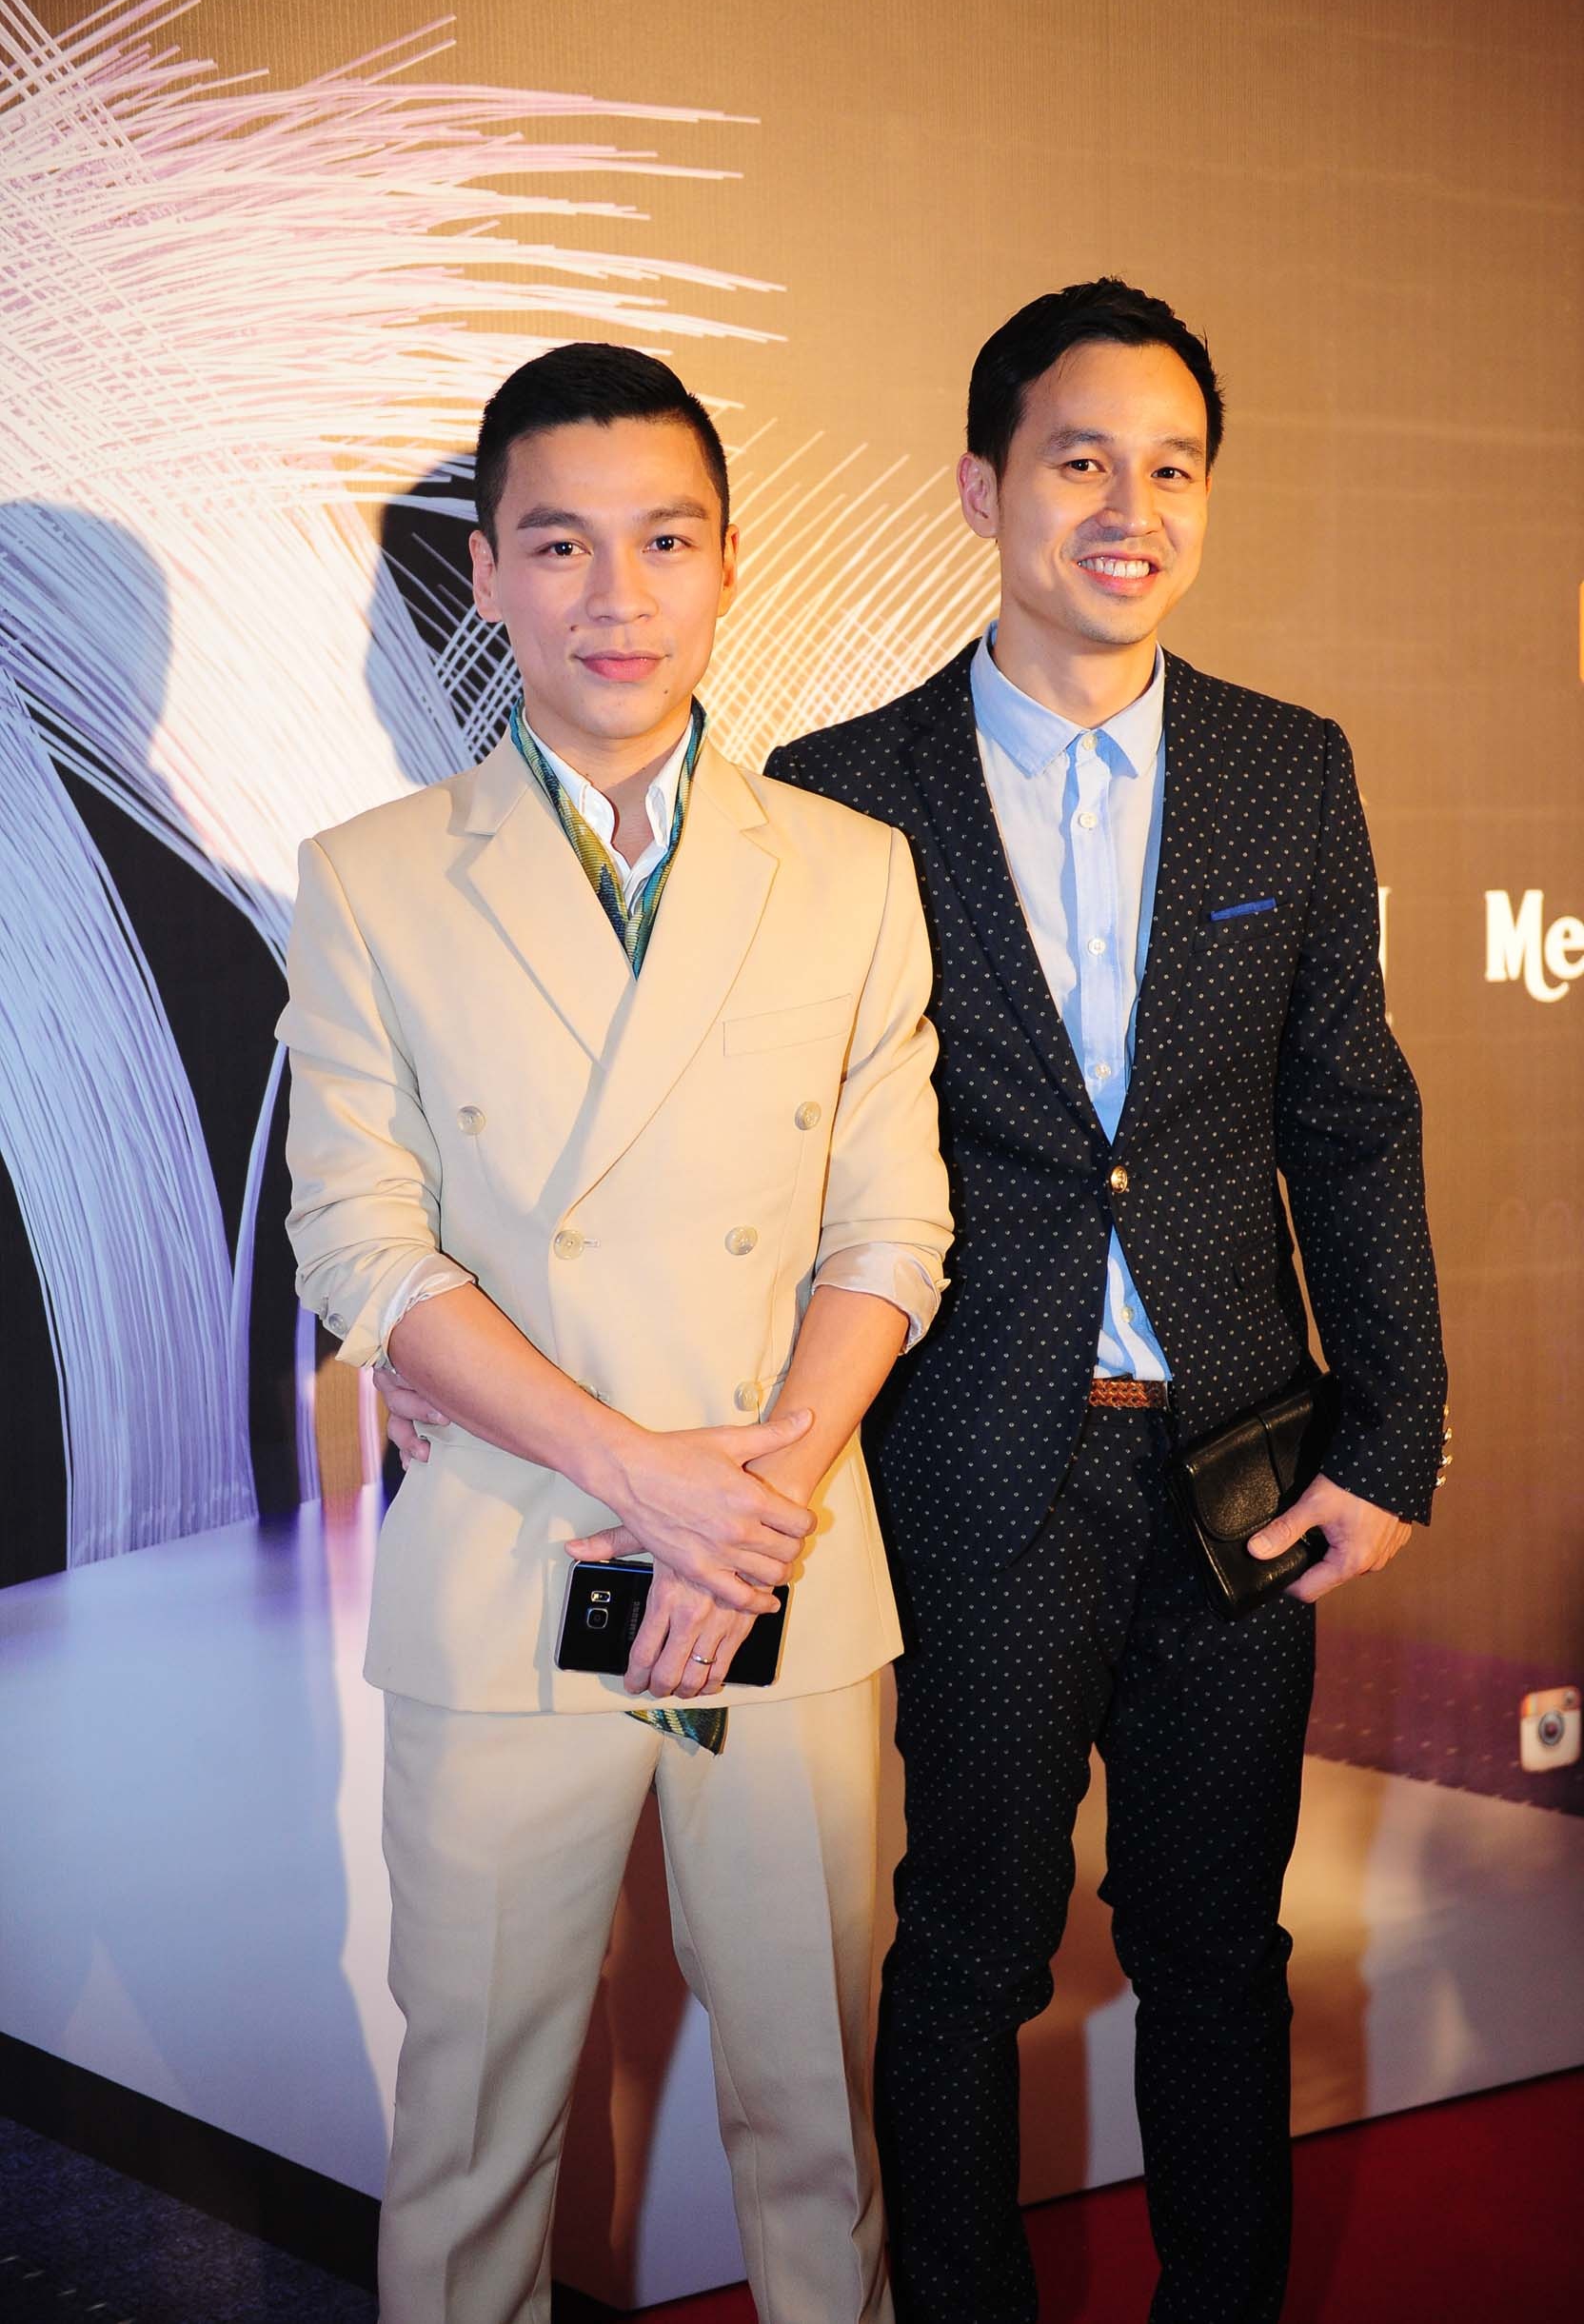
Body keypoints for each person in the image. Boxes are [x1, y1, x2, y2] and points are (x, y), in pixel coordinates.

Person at [763, 281, 1450, 2324]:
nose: (1129, 511)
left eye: (1172, 468)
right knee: (968, 1949)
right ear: (985, 490)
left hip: (1240, 1462)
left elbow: (1350, 1116)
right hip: (978, 1458)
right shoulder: (837, 788)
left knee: (1218, 1951)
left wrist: (1389, 1436)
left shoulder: (1284, 768)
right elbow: (778, 1156)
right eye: (1080, 461)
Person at [280, 342, 951, 2324]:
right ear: (488, 573)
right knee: (474, 2133)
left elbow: (892, 1224)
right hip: (514, 1559)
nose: (616, 593)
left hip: (776, 1565)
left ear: (729, 561)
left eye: (664, 540)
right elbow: (359, 1242)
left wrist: (749, 1502)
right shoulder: (373, 880)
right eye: (559, 544)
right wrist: (644, 1478)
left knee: (815, 2116)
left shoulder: (849, 871)